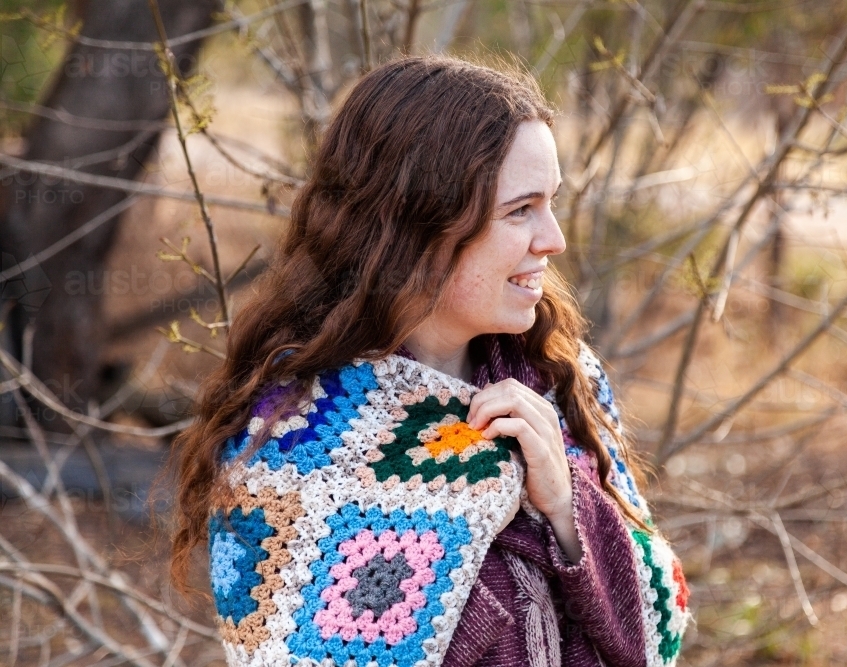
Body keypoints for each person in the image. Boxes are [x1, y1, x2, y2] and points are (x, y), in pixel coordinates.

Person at [168, 54, 690, 667]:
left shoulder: (559, 379)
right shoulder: (292, 438)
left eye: (551, 203)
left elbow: (660, 634)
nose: (554, 238)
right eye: (520, 210)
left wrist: (568, 507)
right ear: (417, 224)